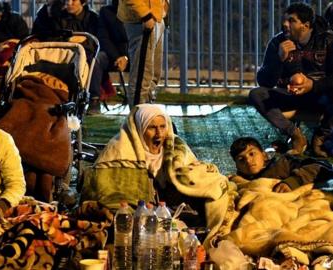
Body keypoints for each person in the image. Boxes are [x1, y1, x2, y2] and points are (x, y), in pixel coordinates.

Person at [80, 104, 229, 228]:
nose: (159, 134)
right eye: (152, 128)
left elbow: (195, 176)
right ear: (139, 129)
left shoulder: (176, 147)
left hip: (171, 210)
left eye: (162, 127)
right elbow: (104, 191)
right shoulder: (118, 150)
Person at [249, 3, 333, 158]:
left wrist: (313, 85)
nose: (285, 24)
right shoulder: (277, 43)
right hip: (290, 95)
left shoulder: (326, 40)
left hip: (319, 96)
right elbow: (264, 82)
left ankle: (320, 137)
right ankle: (296, 136)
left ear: (305, 25)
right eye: (285, 20)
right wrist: (279, 59)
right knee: (256, 94)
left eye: (291, 20)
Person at [229, 137, 333, 193]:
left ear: (264, 155)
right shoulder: (240, 183)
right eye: (241, 159)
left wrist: (294, 182)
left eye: (252, 154)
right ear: (237, 166)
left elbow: (323, 167)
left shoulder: (282, 163)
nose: (248, 161)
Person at [118, 0, 169, 106]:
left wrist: (163, 9)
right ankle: (137, 117)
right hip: (142, 20)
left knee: (152, 76)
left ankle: (146, 113)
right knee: (141, 77)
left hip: (155, 17)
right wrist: (145, 15)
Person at [84, 0, 129, 114]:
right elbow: (103, 38)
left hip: (134, 53)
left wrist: (126, 57)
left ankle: (143, 99)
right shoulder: (106, 12)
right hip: (112, 55)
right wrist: (117, 57)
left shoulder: (138, 12)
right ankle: (94, 100)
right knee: (97, 59)